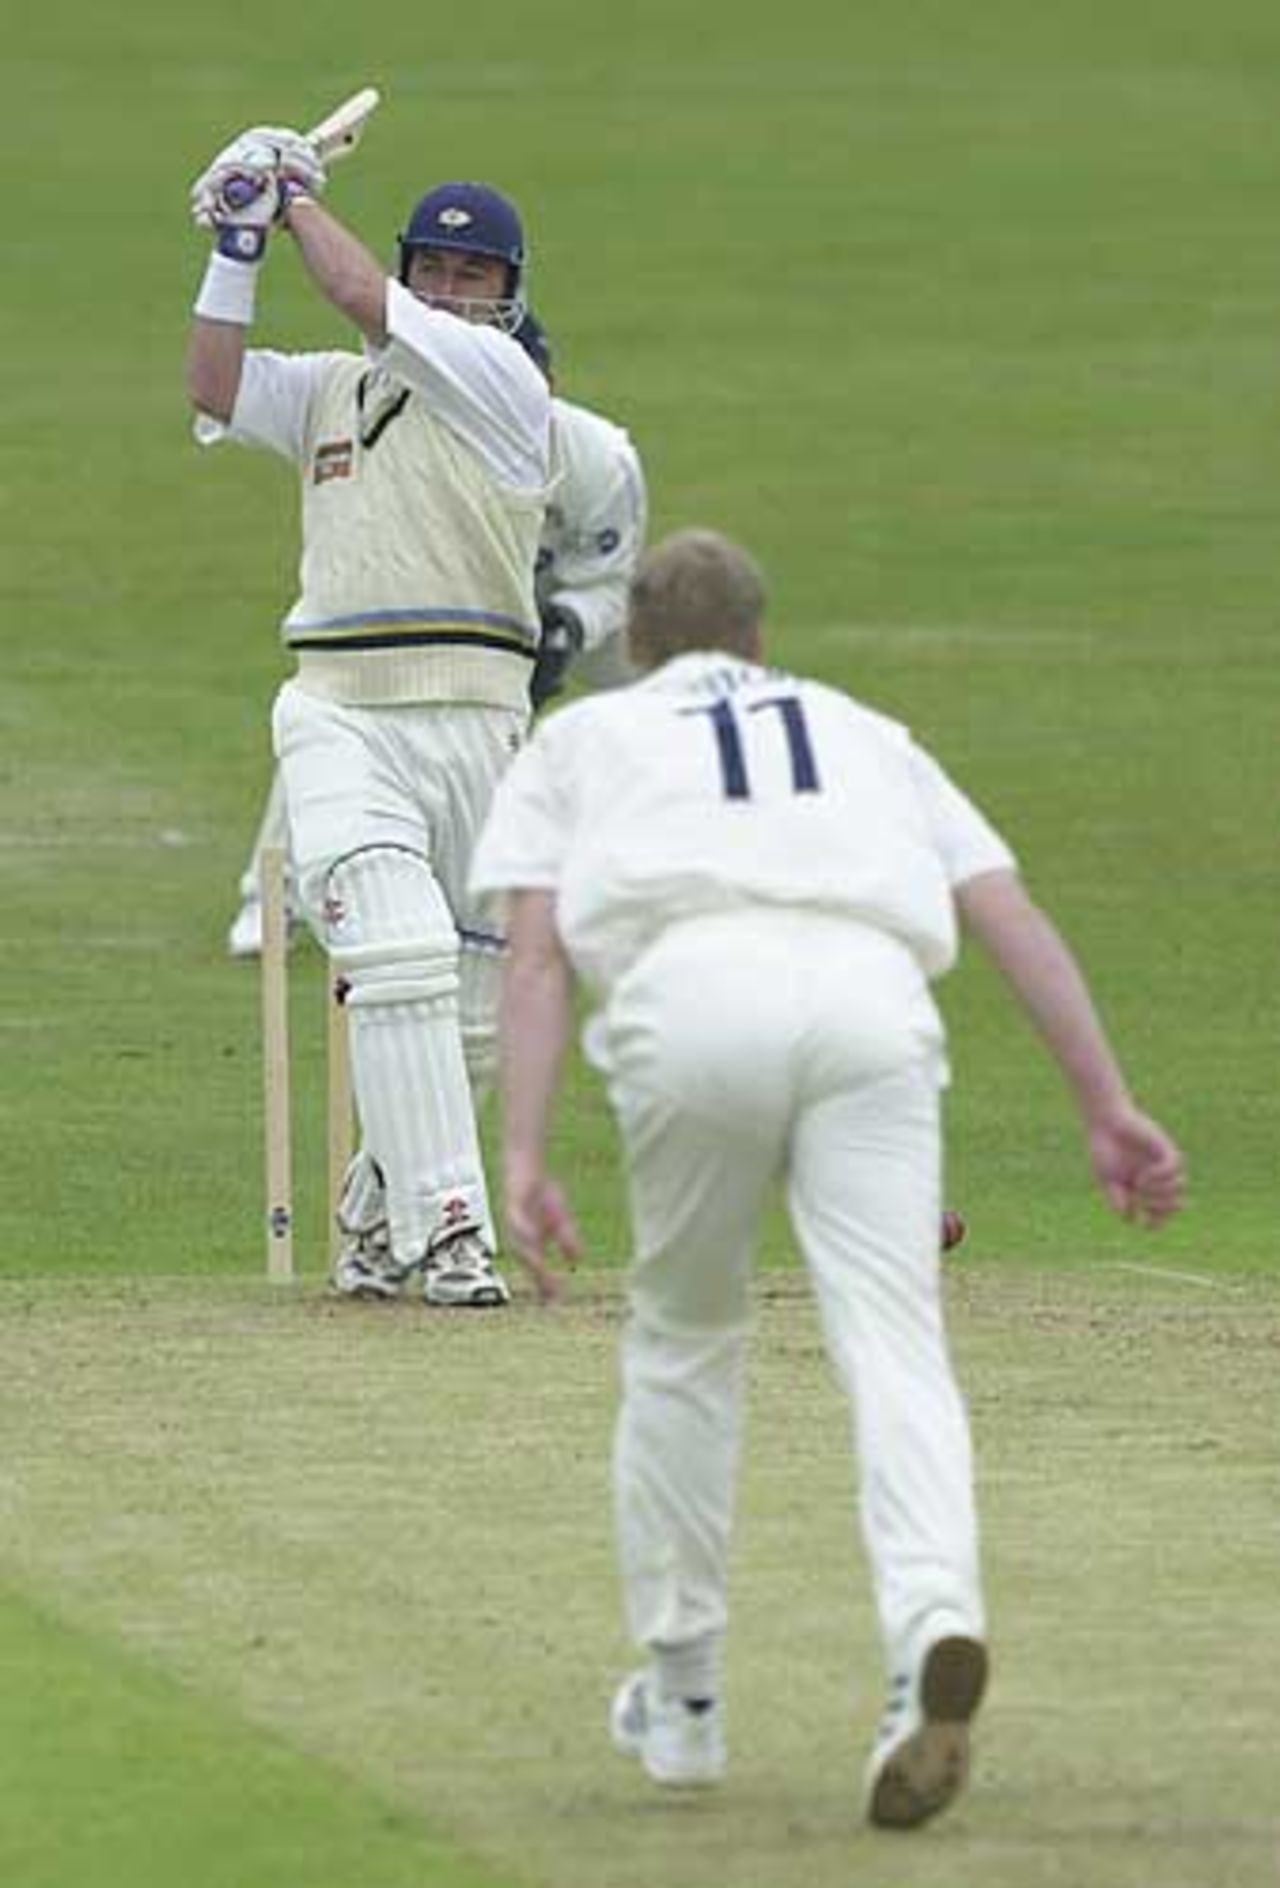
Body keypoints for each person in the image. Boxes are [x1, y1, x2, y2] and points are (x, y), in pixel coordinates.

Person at [468, 529, 1184, 1826]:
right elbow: (1004, 909)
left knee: (686, 1341)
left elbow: (534, 958)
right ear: (758, 642)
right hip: (869, 1007)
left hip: (690, 1003)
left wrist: (521, 1150)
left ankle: (682, 1700)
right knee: (897, 1347)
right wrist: (1107, 1104)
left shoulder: (578, 742)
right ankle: (929, 1641)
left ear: (640, 640)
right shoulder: (864, 731)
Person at [186, 119, 554, 1307]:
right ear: (414, 264)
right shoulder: (333, 391)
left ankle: (365, 1223)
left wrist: (290, 196)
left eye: (472, 276)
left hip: (484, 720)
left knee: (474, 1029)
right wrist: (236, 246)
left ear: (505, 294)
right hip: (341, 709)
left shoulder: (507, 386)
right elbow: (216, 382)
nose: (450, 290)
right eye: (433, 268)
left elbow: (353, 284)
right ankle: (450, 1230)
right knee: (396, 953)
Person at [224, 310, 647, 959]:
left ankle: (656, 861)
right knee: (341, 704)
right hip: (460, 614)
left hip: (560, 608)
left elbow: (613, 579)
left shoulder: (599, 456)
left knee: (655, 692)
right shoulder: (417, 446)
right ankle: (269, 895)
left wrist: (567, 629)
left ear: (547, 384)